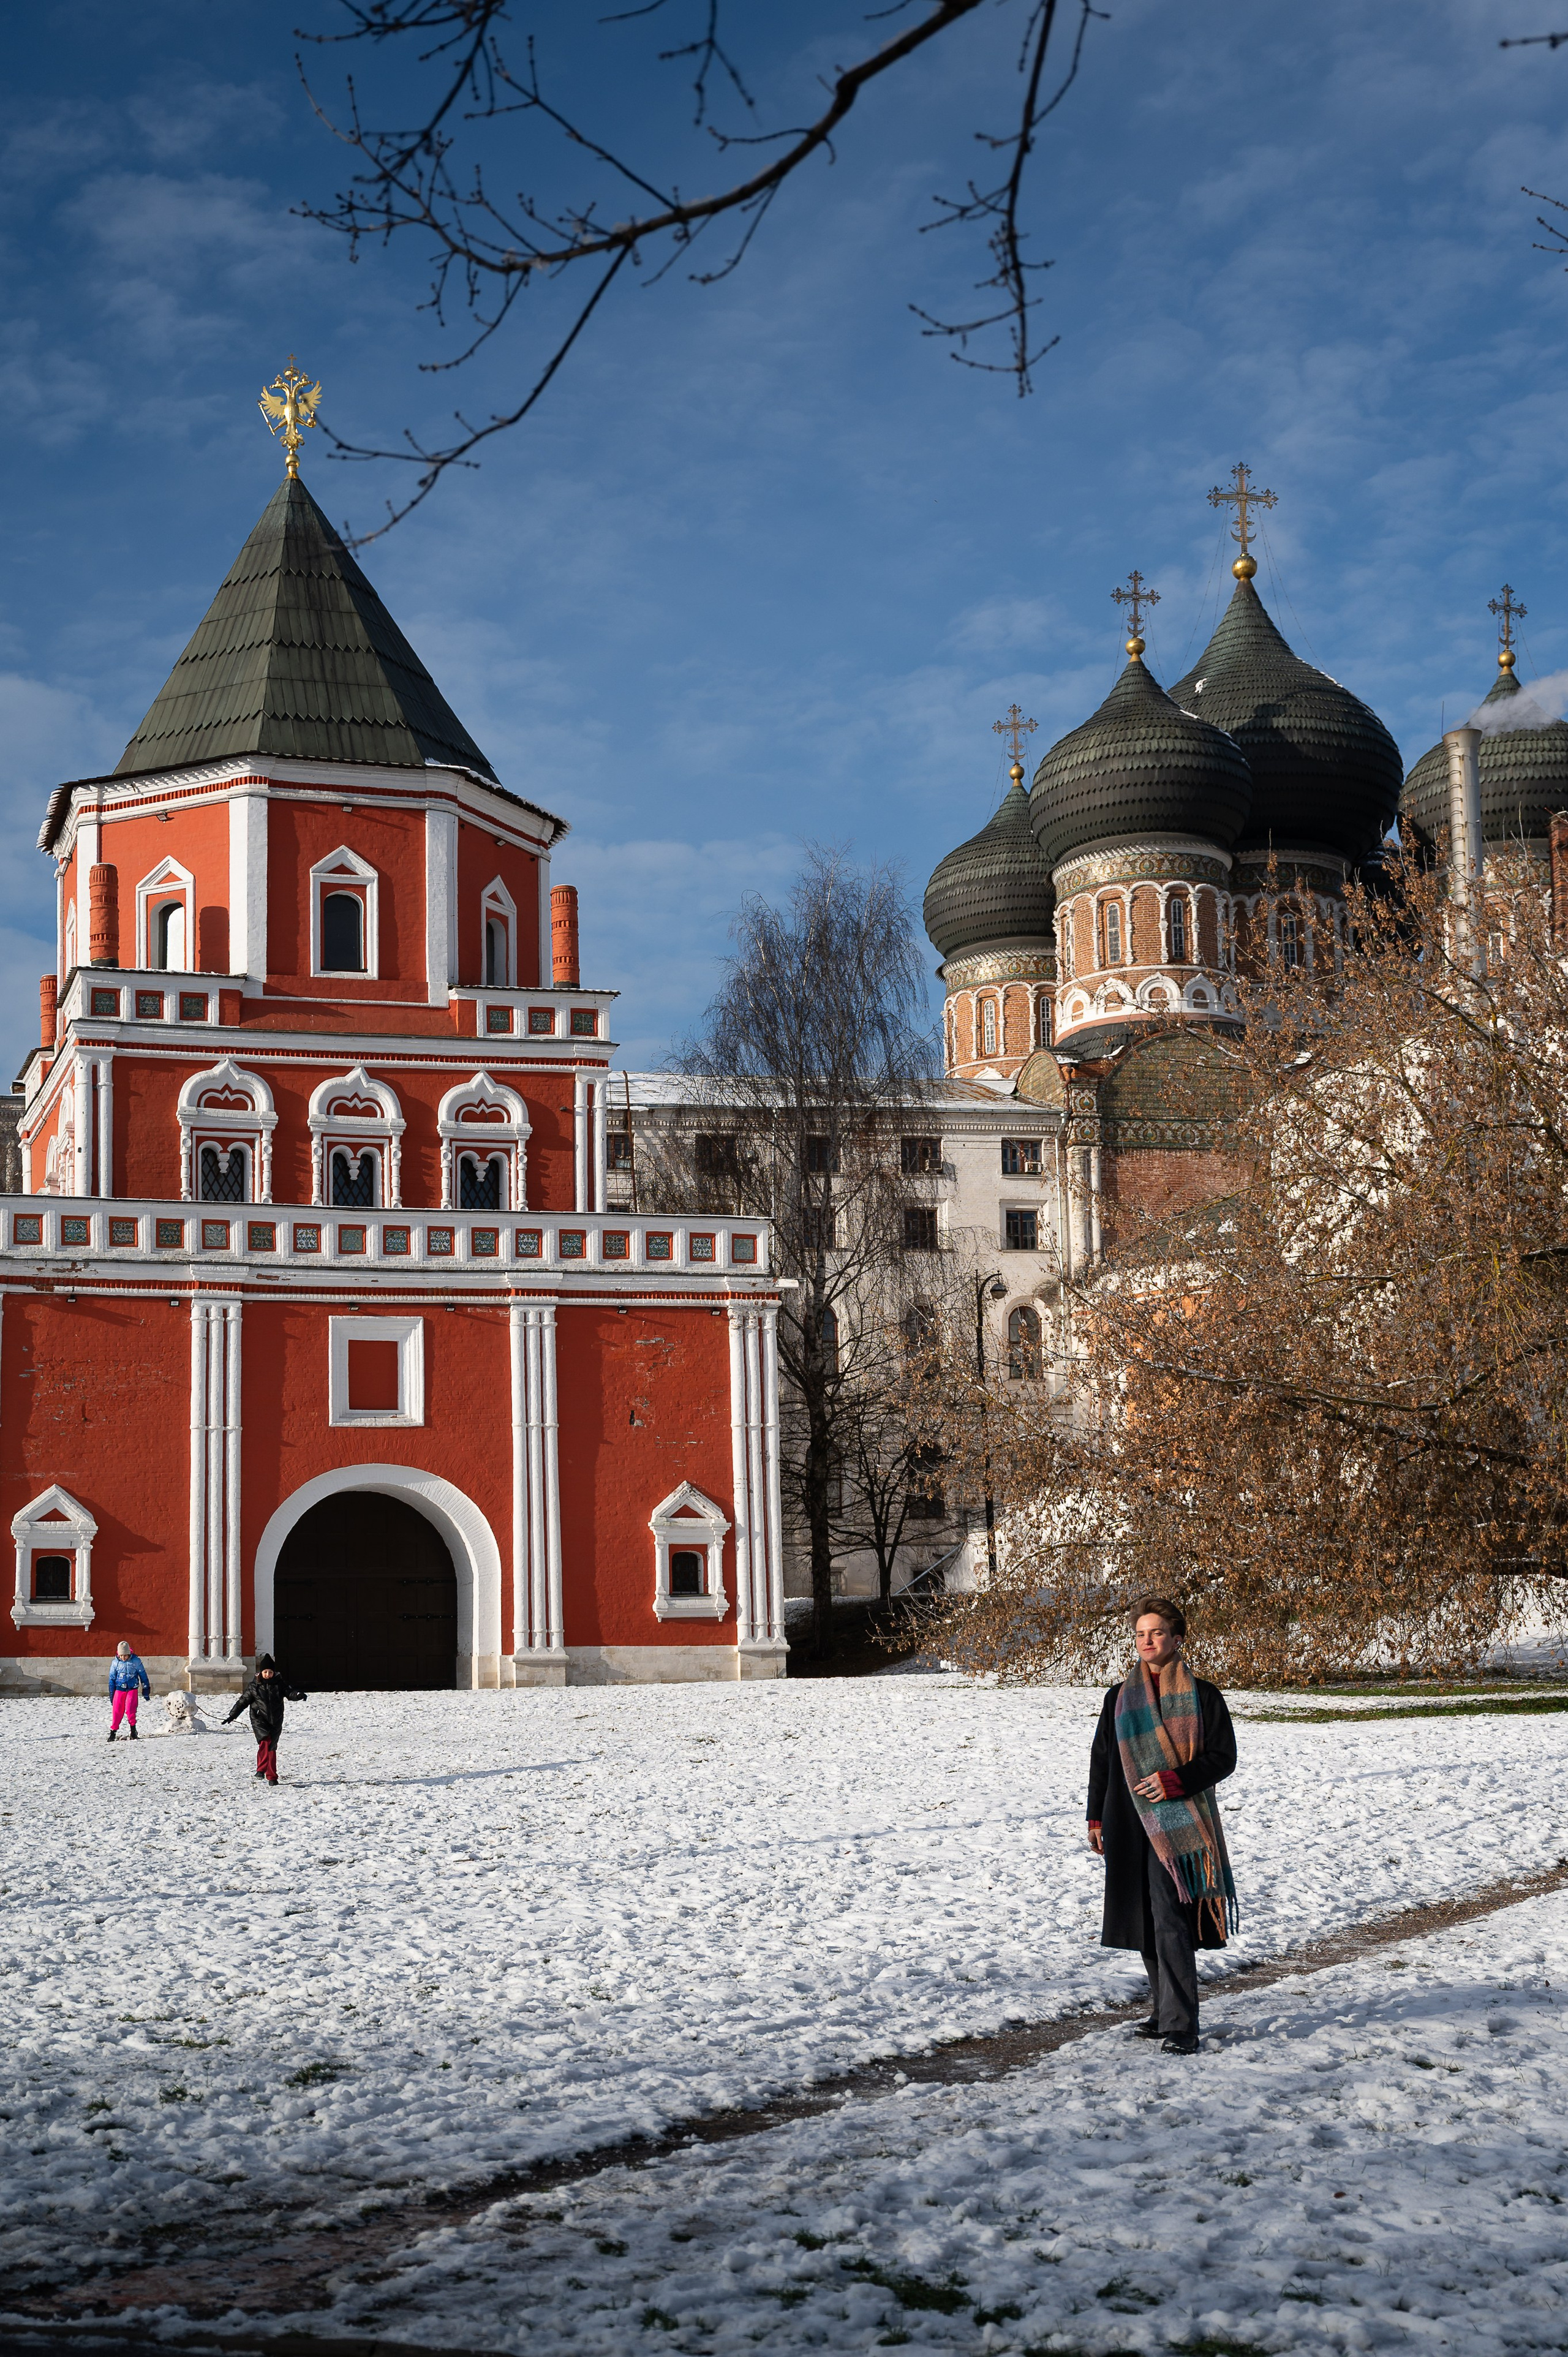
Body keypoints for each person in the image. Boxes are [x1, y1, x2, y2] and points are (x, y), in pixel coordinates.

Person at [1086, 1596, 1237, 2054]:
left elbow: (1223, 1758)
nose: (1147, 1641)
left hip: (1178, 1823)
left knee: (1170, 1917)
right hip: (1128, 1821)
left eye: (1156, 1633)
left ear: (1176, 1638)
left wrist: (1175, 1781)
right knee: (1145, 1919)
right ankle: (1164, 2011)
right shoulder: (1118, 1698)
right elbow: (1103, 1761)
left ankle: (1181, 2024)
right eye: (1140, 1634)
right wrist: (1096, 1817)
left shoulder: (1203, 1695)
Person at [224, 1653, 307, 1786]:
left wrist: (298, 1695)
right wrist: (232, 1715)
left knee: (272, 1748)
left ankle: (272, 1777)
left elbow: (289, 1693)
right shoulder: (254, 1686)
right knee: (265, 1741)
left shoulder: (280, 1684)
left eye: (270, 1672)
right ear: (261, 1672)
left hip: (276, 1720)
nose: (268, 1675)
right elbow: (243, 1701)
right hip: (259, 1718)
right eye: (265, 1672)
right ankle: (261, 1769)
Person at [107, 1641, 153, 1741]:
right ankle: (113, 1732)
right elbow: (112, 1679)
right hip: (119, 1689)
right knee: (117, 1711)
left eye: (125, 1655)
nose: (123, 1658)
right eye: (121, 1656)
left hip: (132, 1689)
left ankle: (133, 1731)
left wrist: (146, 1690)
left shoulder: (136, 1661)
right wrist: (112, 1695)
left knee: (130, 1710)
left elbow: (143, 1676)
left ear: (129, 1654)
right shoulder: (115, 1663)